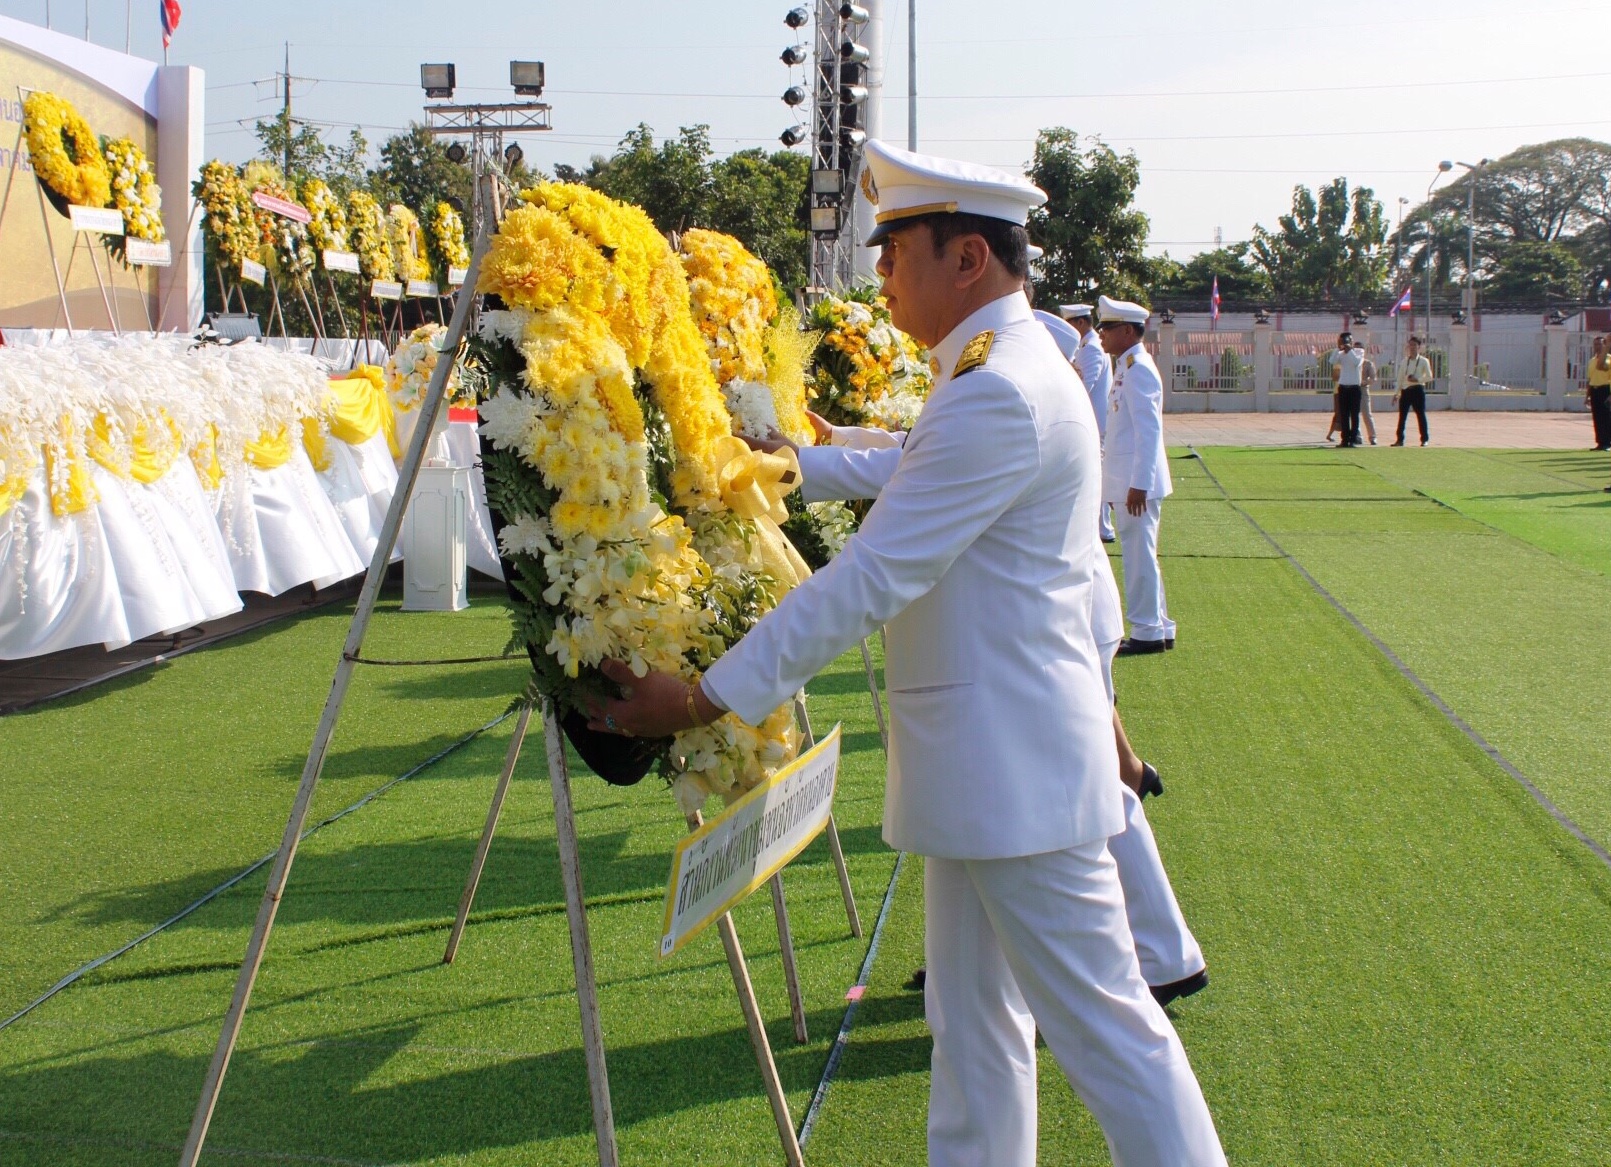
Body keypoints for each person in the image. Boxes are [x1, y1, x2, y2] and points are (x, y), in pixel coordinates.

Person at [592, 138, 1226, 1167]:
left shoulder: (996, 388)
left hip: (1014, 767)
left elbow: (874, 578)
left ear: (966, 260)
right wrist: (801, 456)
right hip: (992, 765)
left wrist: (705, 697)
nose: (879, 274)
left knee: (1110, 1030)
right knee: (976, 1034)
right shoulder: (999, 368)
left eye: (895, 252)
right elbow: (918, 459)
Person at [1099, 295, 1177, 655]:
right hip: (1128, 480)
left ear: (1127, 331)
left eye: (1108, 328)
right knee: (1143, 555)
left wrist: (1139, 485)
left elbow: (1149, 431)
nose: (1102, 334)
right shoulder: (1126, 366)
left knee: (1138, 557)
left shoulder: (1139, 368)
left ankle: (1146, 631)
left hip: (1136, 484)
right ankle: (1158, 625)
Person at [1061, 303, 1117, 541]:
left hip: (1095, 423)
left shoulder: (1092, 348)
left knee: (1097, 474)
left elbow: (1084, 385)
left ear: (1081, 323)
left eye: (1070, 323)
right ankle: (1101, 527)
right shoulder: (1087, 346)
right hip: (1093, 422)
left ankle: (1103, 528)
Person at [1393, 336, 1433, 446]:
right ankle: (1399, 439)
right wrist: (1396, 393)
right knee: (1402, 416)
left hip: (1417, 390)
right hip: (1406, 390)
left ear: (1419, 347)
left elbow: (1429, 376)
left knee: (1420, 415)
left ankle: (1424, 439)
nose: (1412, 347)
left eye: (1414, 345)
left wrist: (1418, 379)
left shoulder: (1424, 361)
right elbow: (1400, 378)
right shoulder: (1404, 361)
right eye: (1410, 345)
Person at [1332, 331, 1365, 447]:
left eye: (1348, 340)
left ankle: (1353, 439)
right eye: (1344, 340)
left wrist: (1349, 350)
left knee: (1354, 415)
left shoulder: (1358, 351)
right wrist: (1338, 348)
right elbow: (1332, 361)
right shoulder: (1340, 354)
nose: (1346, 343)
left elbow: (1357, 363)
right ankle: (1344, 439)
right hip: (1343, 387)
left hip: (1354, 388)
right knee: (1344, 415)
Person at [1585, 335, 1610, 451]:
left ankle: (1607, 443)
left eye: (1600, 344)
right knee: (1597, 418)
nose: (1597, 346)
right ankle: (1600, 442)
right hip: (1595, 391)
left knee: (1606, 418)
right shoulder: (1591, 361)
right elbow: (1590, 380)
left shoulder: (1609, 359)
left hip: (1605, 390)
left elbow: (1603, 368)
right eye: (1595, 344)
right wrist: (1587, 396)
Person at [1357, 341, 1379, 445]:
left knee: (1366, 414)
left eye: (1359, 349)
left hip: (1363, 389)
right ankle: (1357, 435)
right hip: (1353, 389)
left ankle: (1372, 436)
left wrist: (1365, 382)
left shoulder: (1367, 363)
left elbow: (1373, 378)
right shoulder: (1352, 363)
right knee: (1354, 414)